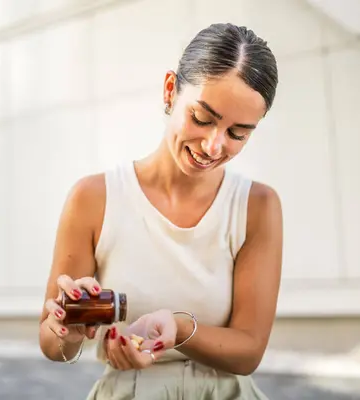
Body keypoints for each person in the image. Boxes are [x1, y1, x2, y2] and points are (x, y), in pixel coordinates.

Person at [39, 22, 283, 399]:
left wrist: (180, 328)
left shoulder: (257, 207)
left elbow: (249, 350)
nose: (214, 145)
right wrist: (68, 331)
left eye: (238, 133)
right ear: (171, 90)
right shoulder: (94, 198)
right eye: (202, 118)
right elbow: (53, 344)